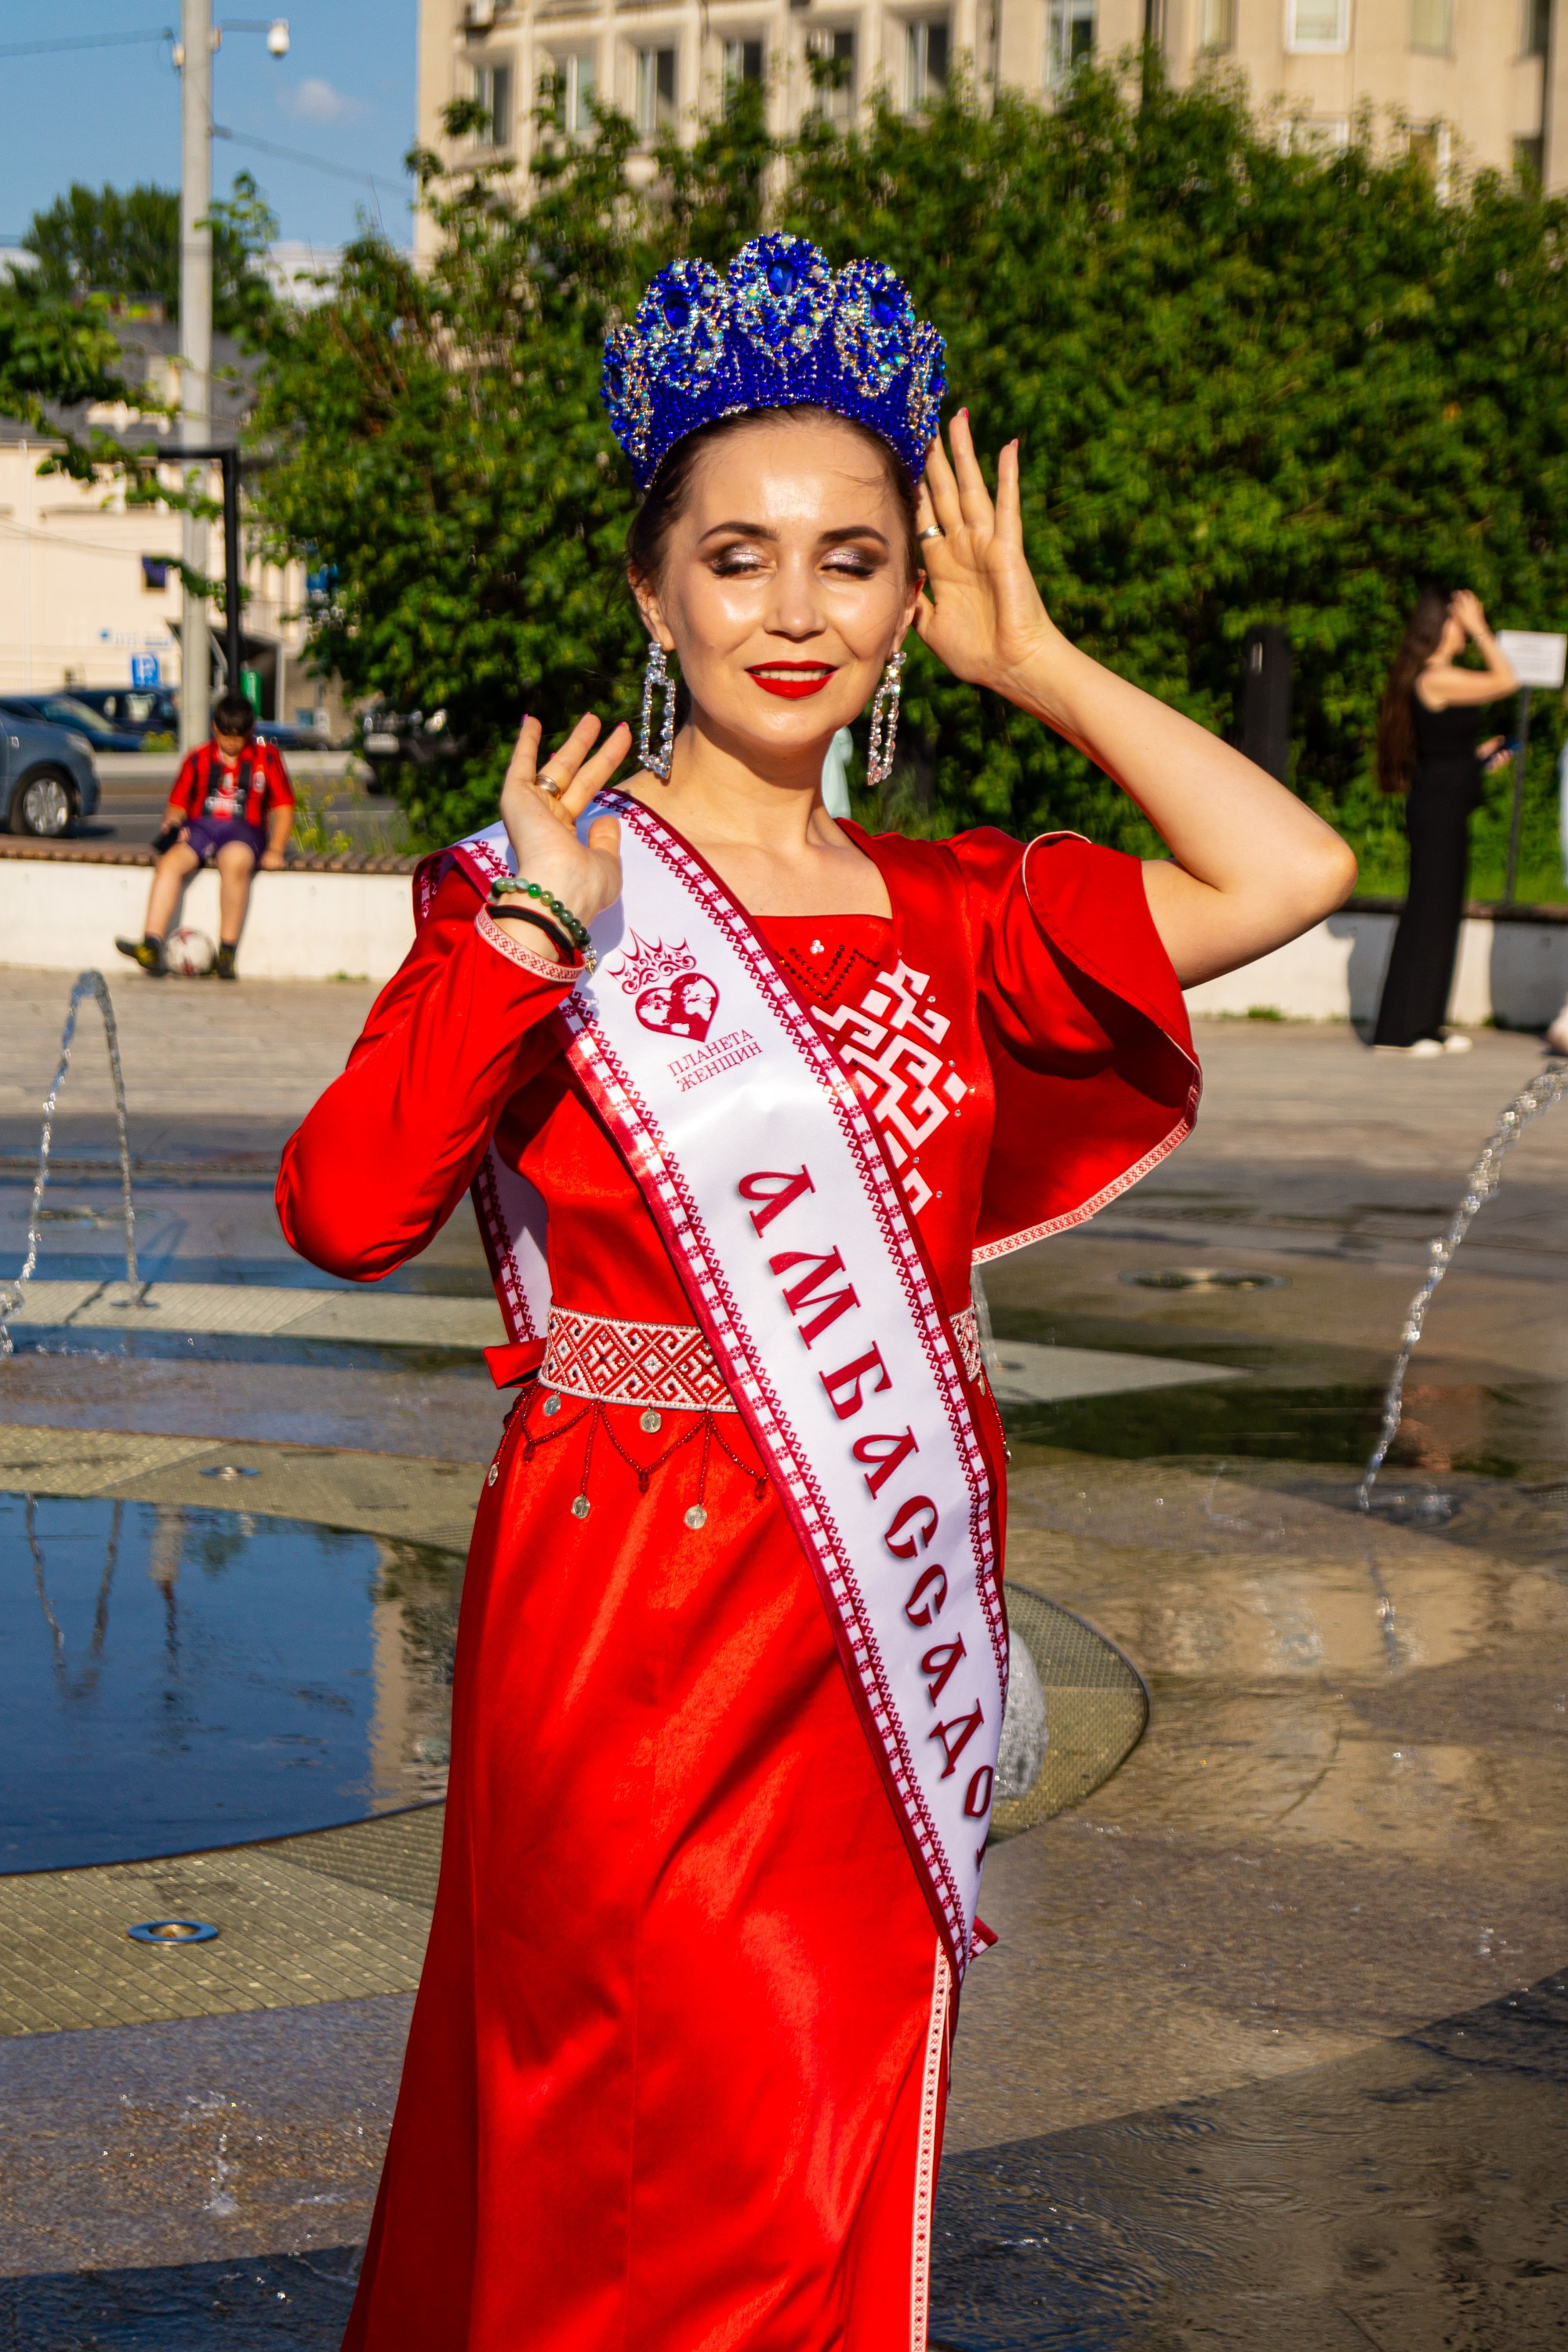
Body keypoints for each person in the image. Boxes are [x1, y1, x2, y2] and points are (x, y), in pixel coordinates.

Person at [277, 240, 1356, 2352]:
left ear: (899, 606)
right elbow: (340, 1211)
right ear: (652, 598)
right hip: (620, 1607)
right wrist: (518, 934)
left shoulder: (968, 909)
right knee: (622, 2129)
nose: (797, 610)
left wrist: (1037, 661)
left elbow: (1288, 876)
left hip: (872, 1621)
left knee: (828, 2114)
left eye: (852, 561)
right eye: (741, 557)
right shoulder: (549, 886)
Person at [1371, 588, 1517, 1055]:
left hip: (1447, 803)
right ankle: (1398, 1031)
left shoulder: (1436, 678)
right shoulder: (1435, 677)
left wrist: (1478, 760)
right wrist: (1483, 630)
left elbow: (1444, 751)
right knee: (1427, 914)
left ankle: (1427, 1023)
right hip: (1437, 809)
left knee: (1442, 913)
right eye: (1458, 622)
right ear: (1441, 626)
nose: (1466, 631)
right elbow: (1506, 679)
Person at [115, 690, 294, 978]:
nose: (231, 742)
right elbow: (176, 805)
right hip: (201, 828)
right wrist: (172, 824)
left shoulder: (267, 759)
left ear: (250, 731)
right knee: (169, 864)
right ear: (215, 728)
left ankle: (227, 951)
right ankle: (151, 943)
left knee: (234, 862)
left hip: (245, 831)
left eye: (238, 736)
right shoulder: (197, 758)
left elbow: (284, 808)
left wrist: (275, 849)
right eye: (225, 735)